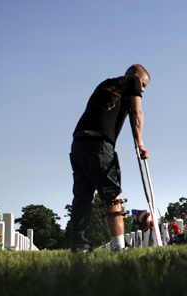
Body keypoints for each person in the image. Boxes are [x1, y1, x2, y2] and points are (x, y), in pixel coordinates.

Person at [69, 64, 151, 252]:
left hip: (78, 143)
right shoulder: (133, 81)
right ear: (138, 77)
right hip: (99, 145)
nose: (142, 90)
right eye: (144, 85)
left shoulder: (106, 84)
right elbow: (137, 113)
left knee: (82, 197)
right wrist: (140, 144)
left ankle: (79, 247)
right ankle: (119, 246)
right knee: (112, 196)